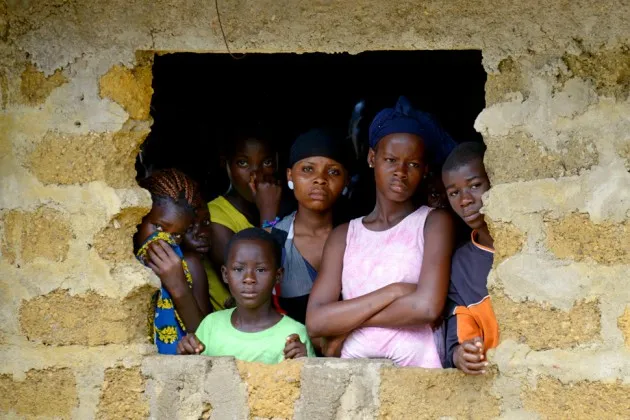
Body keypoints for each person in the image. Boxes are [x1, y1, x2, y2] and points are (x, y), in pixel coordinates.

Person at [306, 97, 455, 367]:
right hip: (354, 377)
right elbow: (316, 321)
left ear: (424, 171)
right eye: (391, 159)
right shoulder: (343, 236)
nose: (400, 172)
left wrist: (346, 325)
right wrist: (396, 291)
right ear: (372, 158)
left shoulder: (434, 223)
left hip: (421, 375)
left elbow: (427, 307)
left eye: (413, 164)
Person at [177, 228, 316, 363]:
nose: (249, 278)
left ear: (278, 276)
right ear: (225, 274)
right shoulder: (211, 325)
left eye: (261, 270)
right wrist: (187, 356)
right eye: (238, 269)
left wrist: (303, 362)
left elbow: (307, 382)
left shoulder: (294, 334)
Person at [270, 128, 349, 325]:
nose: (320, 179)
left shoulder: (361, 238)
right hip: (288, 352)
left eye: (333, 172)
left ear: (346, 181)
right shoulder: (273, 240)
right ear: (290, 176)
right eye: (307, 169)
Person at [135, 168, 211, 354]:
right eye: (159, 227)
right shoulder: (121, 264)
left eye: (176, 235)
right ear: (138, 219)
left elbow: (208, 339)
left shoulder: (190, 266)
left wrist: (179, 287)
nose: (164, 241)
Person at [441, 141, 499, 374]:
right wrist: (460, 354)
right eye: (454, 193)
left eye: (475, 186)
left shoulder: (534, 242)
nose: (465, 200)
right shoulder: (460, 266)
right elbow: (460, 336)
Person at [208, 129, 283, 278]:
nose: (256, 175)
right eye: (243, 163)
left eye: (267, 162)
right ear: (226, 164)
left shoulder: (284, 205)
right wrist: (268, 213)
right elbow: (253, 282)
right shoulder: (216, 217)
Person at [182, 191, 231, 312]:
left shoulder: (207, 262)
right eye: (190, 227)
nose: (203, 233)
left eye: (206, 222)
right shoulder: (189, 264)